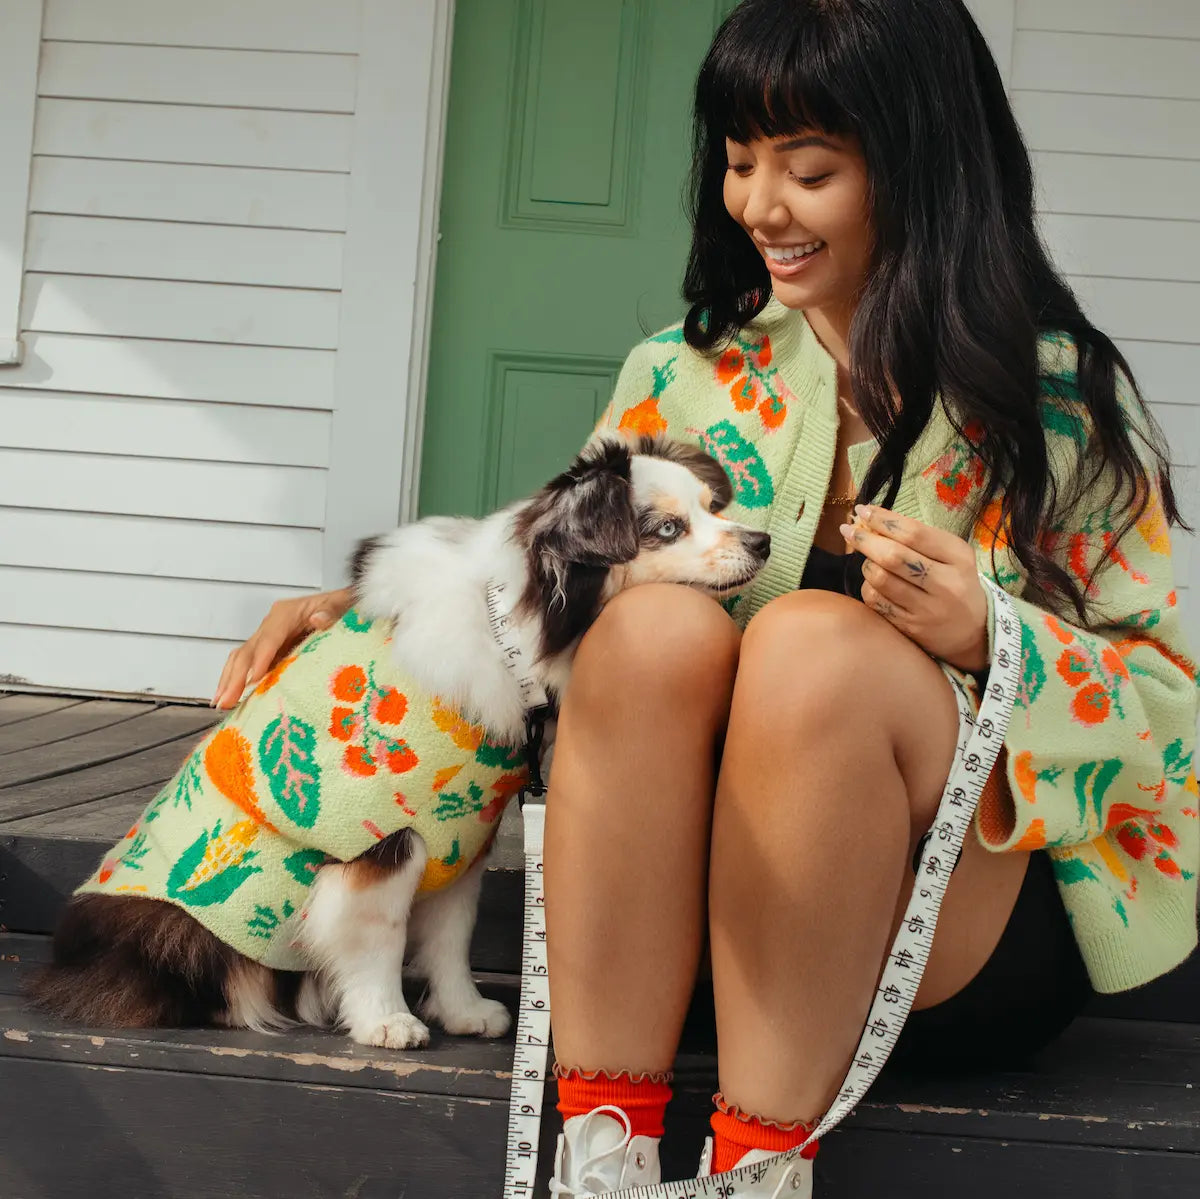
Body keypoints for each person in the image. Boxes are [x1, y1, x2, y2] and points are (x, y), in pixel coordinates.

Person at [213, 2, 1198, 1194]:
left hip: (954, 943)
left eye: (810, 168)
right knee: (652, 623)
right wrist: (360, 603)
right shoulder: (679, 376)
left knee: (812, 647)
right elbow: (538, 577)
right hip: (679, 941)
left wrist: (993, 635)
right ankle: (601, 1152)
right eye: (739, 161)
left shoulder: (1058, 406)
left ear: (925, 166)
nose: (760, 206)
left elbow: (1168, 708)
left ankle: (758, 1171)